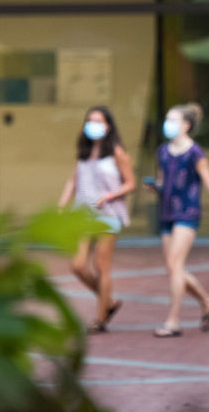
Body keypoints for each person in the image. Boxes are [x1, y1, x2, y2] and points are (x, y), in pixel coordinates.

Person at [147, 103, 209, 337]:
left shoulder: (195, 152)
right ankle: (208, 302)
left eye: (173, 120)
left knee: (176, 266)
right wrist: (155, 188)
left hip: (187, 213)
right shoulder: (163, 151)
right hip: (166, 213)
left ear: (186, 125)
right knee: (172, 268)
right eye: (167, 119)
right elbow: (162, 181)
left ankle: (173, 322)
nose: (167, 124)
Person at [58, 105, 136, 333]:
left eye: (98, 121)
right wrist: (62, 206)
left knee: (101, 267)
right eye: (89, 120)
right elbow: (72, 181)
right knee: (78, 266)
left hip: (108, 215)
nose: (93, 125)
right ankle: (108, 301)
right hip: (83, 215)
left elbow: (130, 182)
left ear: (108, 126)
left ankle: (100, 319)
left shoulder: (118, 153)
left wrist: (110, 195)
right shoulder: (83, 152)